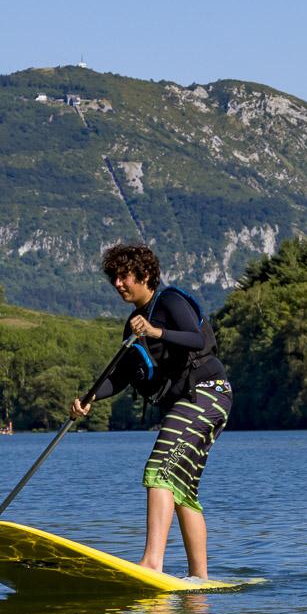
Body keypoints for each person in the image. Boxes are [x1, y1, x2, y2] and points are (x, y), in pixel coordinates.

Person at [72, 243, 231, 582]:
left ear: (145, 276)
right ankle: (199, 580)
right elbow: (122, 376)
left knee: (159, 470)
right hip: (193, 401)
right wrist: (89, 398)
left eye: (123, 276)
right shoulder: (132, 324)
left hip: (207, 392)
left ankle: (152, 563)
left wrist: (156, 331)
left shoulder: (170, 301)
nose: (117, 284)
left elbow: (193, 339)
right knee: (181, 488)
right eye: (113, 278)